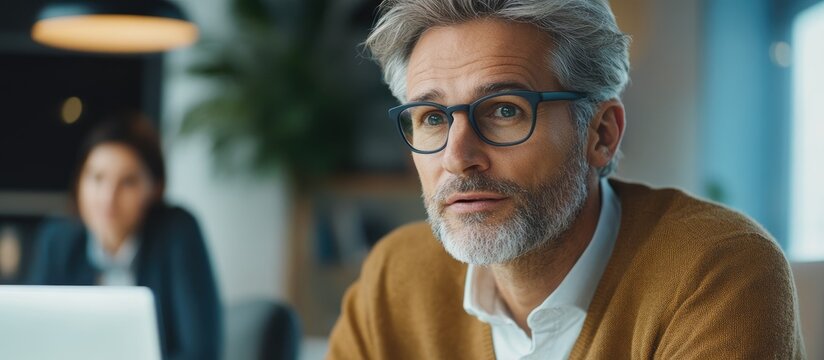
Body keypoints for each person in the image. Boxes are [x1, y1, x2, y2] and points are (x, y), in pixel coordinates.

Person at [328, 0, 805, 359]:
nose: (457, 158)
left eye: (505, 111)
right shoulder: (396, 276)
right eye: (432, 117)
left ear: (601, 134)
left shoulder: (714, 271)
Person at [28, 114, 222, 360]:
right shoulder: (57, 239)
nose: (107, 198)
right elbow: (35, 338)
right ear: (79, 182)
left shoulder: (177, 233)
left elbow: (201, 353)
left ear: (155, 188)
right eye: (97, 178)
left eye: (128, 182)